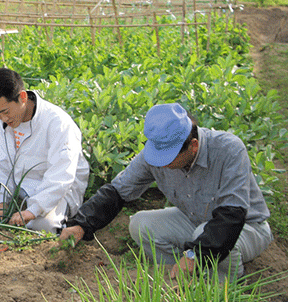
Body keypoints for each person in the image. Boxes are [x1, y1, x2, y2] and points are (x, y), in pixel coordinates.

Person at [60, 103, 273, 280]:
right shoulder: (156, 153)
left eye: (168, 159)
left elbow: (231, 216)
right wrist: (82, 224)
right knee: (140, 224)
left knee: (205, 237)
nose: (161, 165)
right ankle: (175, 278)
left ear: (193, 146)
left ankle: (224, 289)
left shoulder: (228, 150)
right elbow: (117, 191)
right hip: (195, 219)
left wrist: (194, 254)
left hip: (246, 227)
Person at [0, 68, 89, 233]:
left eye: (5, 112)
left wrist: (33, 210)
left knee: (43, 227)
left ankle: (37, 216)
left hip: (51, 187)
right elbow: (0, 163)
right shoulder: (8, 122)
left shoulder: (58, 123)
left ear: (22, 97)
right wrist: (0, 203)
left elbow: (61, 175)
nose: (3, 119)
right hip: (20, 178)